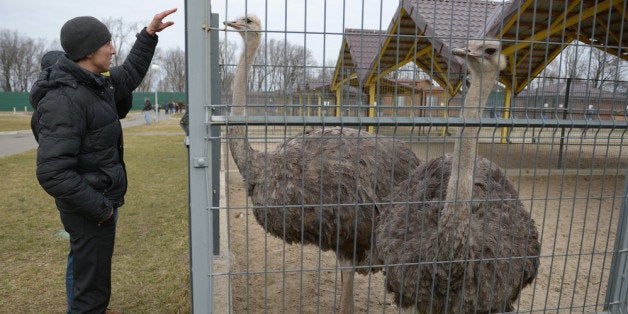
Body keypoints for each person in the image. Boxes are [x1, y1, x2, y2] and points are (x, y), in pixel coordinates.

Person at [29, 8, 177, 313]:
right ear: (87, 52)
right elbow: (52, 172)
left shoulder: (97, 84)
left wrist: (148, 35)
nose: (113, 49)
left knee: (94, 282)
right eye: (106, 44)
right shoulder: (64, 100)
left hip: (98, 204)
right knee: (90, 295)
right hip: (89, 208)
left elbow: (132, 72)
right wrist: (102, 210)